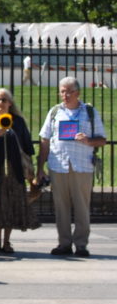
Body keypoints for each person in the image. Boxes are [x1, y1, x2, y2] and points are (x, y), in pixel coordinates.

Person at [38, 76, 106, 257]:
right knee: (61, 206)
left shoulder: (89, 112)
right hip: (58, 165)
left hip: (82, 166)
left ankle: (81, 244)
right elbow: (44, 140)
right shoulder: (54, 112)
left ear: (77, 93)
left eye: (69, 91)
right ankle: (64, 243)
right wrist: (40, 168)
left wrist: (88, 140)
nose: (65, 95)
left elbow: (102, 140)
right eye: (62, 91)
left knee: (82, 206)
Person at [0, 88, 37, 254]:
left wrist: (32, 174)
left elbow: (27, 146)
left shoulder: (18, 122)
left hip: (15, 169)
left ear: (10, 103)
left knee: (10, 205)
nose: (0, 103)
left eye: (4, 100)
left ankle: (6, 241)